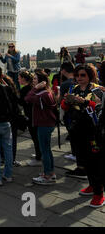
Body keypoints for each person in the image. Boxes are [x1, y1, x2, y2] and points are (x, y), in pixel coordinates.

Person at [61, 64, 104, 207]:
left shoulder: (97, 89)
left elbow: (100, 107)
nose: (79, 78)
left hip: (94, 132)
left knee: (95, 163)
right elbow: (64, 107)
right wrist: (66, 100)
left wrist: (84, 101)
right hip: (78, 130)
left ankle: (99, 193)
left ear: (90, 75)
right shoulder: (74, 88)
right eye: (77, 75)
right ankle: (92, 186)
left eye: (83, 75)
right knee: (84, 161)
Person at [25, 71, 57, 185]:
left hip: (44, 124)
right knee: (47, 150)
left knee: (45, 151)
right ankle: (50, 173)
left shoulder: (42, 94)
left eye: (35, 79)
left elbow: (27, 98)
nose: (33, 81)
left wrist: (35, 88)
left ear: (41, 81)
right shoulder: (47, 92)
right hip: (47, 123)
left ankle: (47, 175)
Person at [18, 70, 42, 166]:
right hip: (36, 115)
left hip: (31, 116)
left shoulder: (25, 90)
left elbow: (21, 102)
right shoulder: (32, 87)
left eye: (19, 78)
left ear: (23, 79)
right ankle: (39, 153)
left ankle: (38, 158)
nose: (18, 80)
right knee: (37, 137)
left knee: (35, 137)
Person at [1, 75, 22, 167]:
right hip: (12, 119)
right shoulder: (12, 92)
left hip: (3, 119)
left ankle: (3, 158)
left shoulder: (1, 92)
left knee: (2, 140)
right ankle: (11, 159)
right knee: (12, 140)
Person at [59, 62, 77, 162]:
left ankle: (75, 154)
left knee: (72, 133)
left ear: (64, 71)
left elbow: (59, 100)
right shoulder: (77, 80)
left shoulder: (65, 84)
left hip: (69, 112)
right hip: (79, 111)